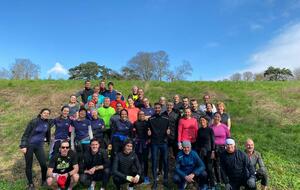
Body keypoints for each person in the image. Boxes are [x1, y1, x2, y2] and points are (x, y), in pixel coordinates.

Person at [20, 108, 53, 190]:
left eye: (48, 113)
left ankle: (44, 180)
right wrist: (23, 146)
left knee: (44, 165)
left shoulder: (48, 123)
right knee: (29, 165)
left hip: (39, 146)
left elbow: (59, 119)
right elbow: (25, 134)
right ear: (41, 113)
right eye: (44, 113)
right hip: (29, 145)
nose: (46, 114)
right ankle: (30, 184)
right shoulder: (34, 121)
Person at [148, 103, 171, 189]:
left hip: (164, 142)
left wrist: (168, 132)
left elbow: (169, 129)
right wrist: (148, 132)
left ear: (161, 108)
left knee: (165, 161)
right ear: (154, 109)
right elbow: (148, 129)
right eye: (156, 108)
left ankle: (165, 180)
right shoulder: (151, 119)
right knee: (154, 161)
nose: (157, 109)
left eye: (159, 108)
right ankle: (155, 181)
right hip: (154, 143)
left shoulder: (166, 118)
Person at [210, 112, 230, 186]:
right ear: (213, 118)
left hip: (223, 148)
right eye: (215, 116)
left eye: (218, 117)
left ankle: (225, 180)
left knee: (224, 164)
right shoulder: (211, 127)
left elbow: (228, 137)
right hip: (214, 148)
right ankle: (218, 181)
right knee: (216, 165)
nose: (217, 118)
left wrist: (227, 146)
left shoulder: (224, 126)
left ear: (220, 118)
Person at [196, 116, 215, 189]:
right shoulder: (199, 130)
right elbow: (198, 141)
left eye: (203, 120)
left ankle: (212, 185)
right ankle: (205, 184)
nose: (202, 121)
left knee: (209, 169)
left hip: (209, 152)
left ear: (206, 121)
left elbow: (213, 141)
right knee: (203, 169)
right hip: (201, 152)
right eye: (200, 120)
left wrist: (213, 151)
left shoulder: (210, 130)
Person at [133, 111, 151, 184]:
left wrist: (149, 139)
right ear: (138, 115)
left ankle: (146, 176)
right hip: (138, 143)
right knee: (138, 160)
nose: (141, 116)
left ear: (144, 115)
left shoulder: (147, 123)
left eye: (143, 114)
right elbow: (133, 133)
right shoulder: (135, 123)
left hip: (145, 143)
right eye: (140, 114)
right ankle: (139, 175)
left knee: (145, 160)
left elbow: (151, 133)